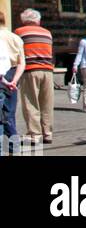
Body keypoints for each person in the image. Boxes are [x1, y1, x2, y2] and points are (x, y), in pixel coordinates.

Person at [15, 8, 54, 145]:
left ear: (23, 20)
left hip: (30, 70)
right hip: (48, 70)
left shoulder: (19, 32)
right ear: (38, 20)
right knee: (46, 104)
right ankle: (47, 133)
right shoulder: (47, 33)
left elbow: (16, 51)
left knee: (31, 103)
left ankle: (34, 134)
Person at [0, 12, 26, 151]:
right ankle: (13, 147)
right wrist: (14, 81)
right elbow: (22, 63)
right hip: (13, 73)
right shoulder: (16, 38)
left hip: (2, 75)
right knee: (9, 113)